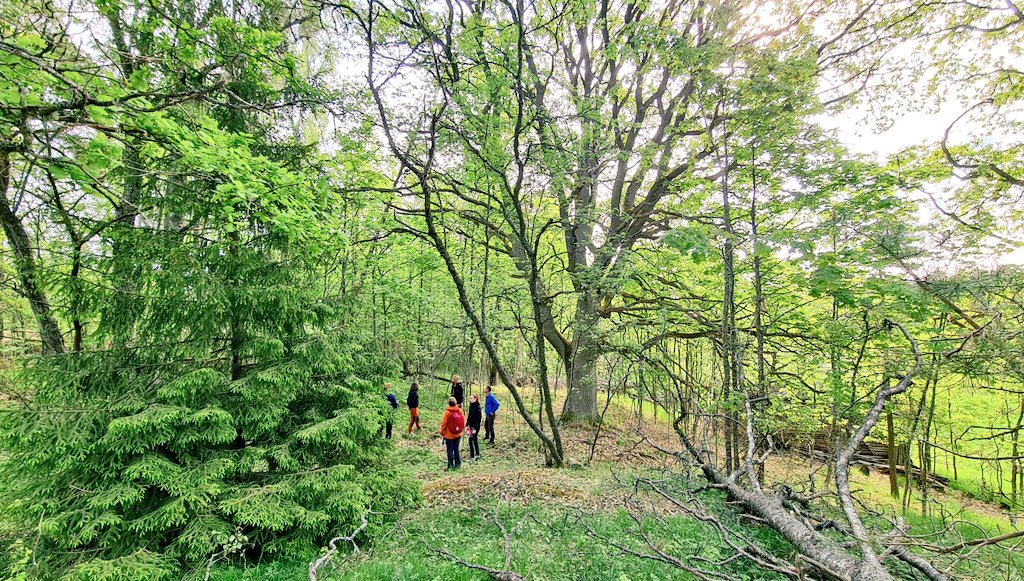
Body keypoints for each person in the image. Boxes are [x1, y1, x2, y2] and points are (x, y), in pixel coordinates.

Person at [439, 396, 465, 470]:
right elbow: (463, 421)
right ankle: (458, 464)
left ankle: (450, 465)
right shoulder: (460, 410)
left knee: (450, 450)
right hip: (458, 434)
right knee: (456, 448)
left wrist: (441, 432)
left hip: (449, 435)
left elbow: (444, 424)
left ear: (449, 403)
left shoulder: (447, 412)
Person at [466, 394, 482, 461]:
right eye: (470, 398)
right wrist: (467, 425)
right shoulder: (471, 406)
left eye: (471, 398)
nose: (470, 399)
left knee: (471, 439)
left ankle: (472, 456)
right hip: (470, 425)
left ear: (475, 399)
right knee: (474, 440)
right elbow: (469, 416)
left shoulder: (478, 407)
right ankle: (477, 455)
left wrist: (475, 429)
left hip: (475, 427)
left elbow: (479, 419)